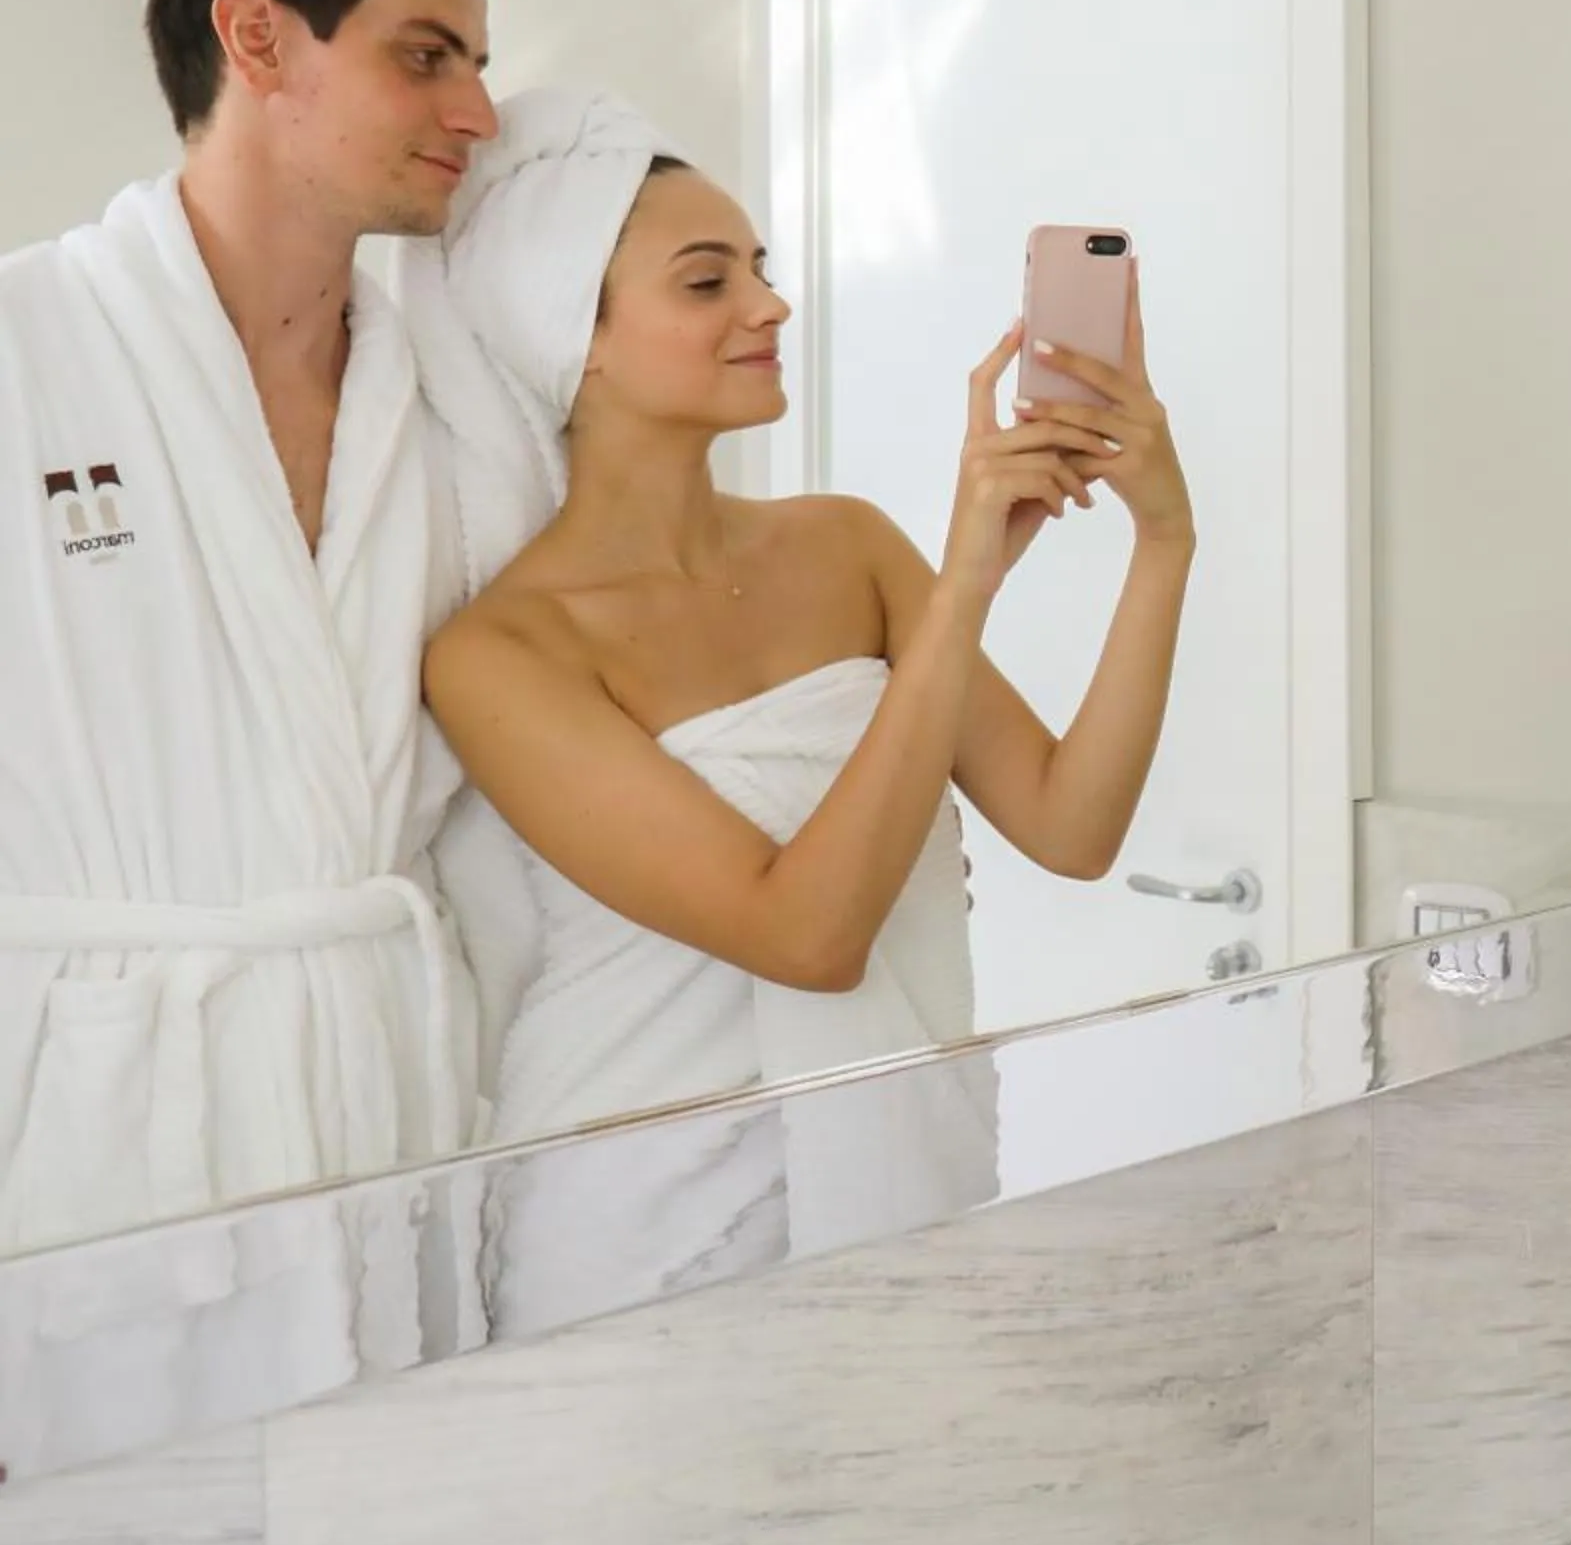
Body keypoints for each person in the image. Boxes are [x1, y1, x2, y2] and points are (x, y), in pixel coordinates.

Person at [409, 92, 1194, 1164]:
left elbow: (1072, 830)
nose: (770, 306)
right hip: (641, 1185)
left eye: (760, 269)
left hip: (897, 1166)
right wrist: (963, 588)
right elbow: (808, 939)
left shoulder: (844, 544)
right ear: (570, 333)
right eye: (707, 282)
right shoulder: (500, 656)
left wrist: (1164, 541)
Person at [0, 0, 540, 1251]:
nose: (478, 112)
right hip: (88, 1137)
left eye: (477, 63)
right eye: (425, 57)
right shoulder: (22, 351)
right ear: (255, 38)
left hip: (391, 1108)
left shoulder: (457, 408)